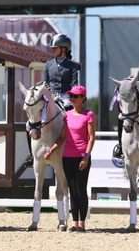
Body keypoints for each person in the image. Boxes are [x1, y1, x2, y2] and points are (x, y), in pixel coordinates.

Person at [44, 85, 95, 233]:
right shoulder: (67, 115)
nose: (72, 98)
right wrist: (51, 151)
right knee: (72, 190)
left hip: (81, 157)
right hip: (67, 156)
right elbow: (62, 137)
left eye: (75, 96)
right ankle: (75, 223)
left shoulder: (89, 115)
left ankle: (82, 223)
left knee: (81, 189)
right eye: (71, 96)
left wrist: (86, 156)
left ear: (83, 98)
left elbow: (91, 138)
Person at [24, 34, 80, 167]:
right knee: (29, 124)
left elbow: (74, 85)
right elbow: (45, 83)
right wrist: (52, 94)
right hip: (50, 97)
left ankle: (72, 148)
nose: (52, 50)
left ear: (64, 49)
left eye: (55, 48)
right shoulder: (49, 65)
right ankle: (32, 155)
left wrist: (67, 97)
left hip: (66, 97)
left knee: (72, 119)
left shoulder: (72, 66)